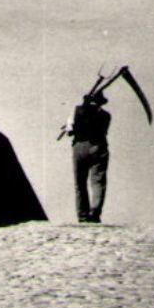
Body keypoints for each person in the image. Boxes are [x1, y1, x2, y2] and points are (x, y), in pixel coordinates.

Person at [65, 91, 112, 223]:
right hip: (98, 146)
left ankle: (82, 215)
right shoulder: (106, 115)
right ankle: (95, 213)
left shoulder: (76, 111)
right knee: (98, 181)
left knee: (80, 183)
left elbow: (69, 131)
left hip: (80, 147)